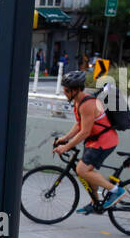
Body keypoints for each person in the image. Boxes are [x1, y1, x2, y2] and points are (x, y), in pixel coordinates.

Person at [53, 69, 124, 213]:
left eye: (67, 90)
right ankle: (95, 203)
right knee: (87, 171)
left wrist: (66, 147)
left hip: (105, 141)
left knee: (82, 170)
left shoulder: (87, 104)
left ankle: (116, 191)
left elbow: (85, 131)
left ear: (76, 90)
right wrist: (66, 138)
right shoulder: (79, 102)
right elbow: (80, 124)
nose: (64, 93)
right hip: (94, 140)